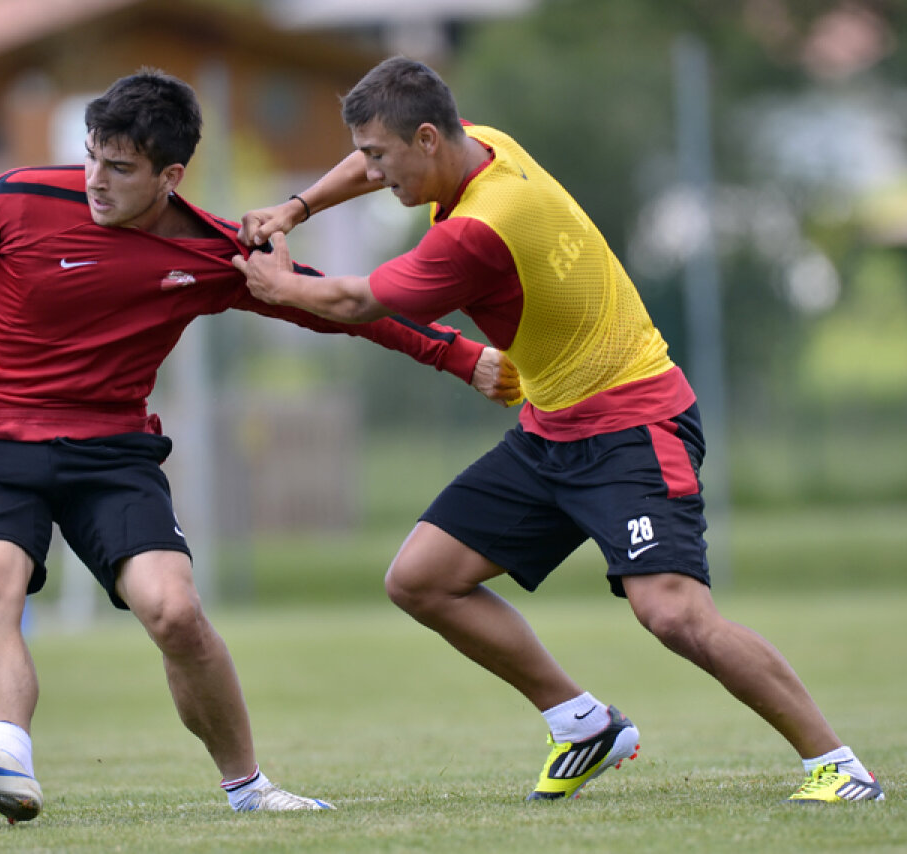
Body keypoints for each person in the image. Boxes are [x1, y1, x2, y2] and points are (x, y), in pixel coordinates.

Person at [0, 69, 515, 823]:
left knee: (172, 612)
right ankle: (8, 763)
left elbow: (336, 304)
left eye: (120, 168)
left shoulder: (212, 252)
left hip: (110, 453)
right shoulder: (14, 200)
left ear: (170, 176)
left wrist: (461, 357)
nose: (95, 181)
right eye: (90, 158)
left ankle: (248, 789)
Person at [233, 56, 883, 804]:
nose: (376, 174)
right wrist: (298, 207)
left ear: (427, 139)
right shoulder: (485, 144)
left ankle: (839, 767)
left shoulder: (480, 229)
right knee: (421, 580)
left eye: (382, 158)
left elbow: (355, 304)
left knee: (672, 613)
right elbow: (366, 162)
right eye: (367, 156)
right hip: (552, 430)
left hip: (634, 422)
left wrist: (280, 285)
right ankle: (582, 723)